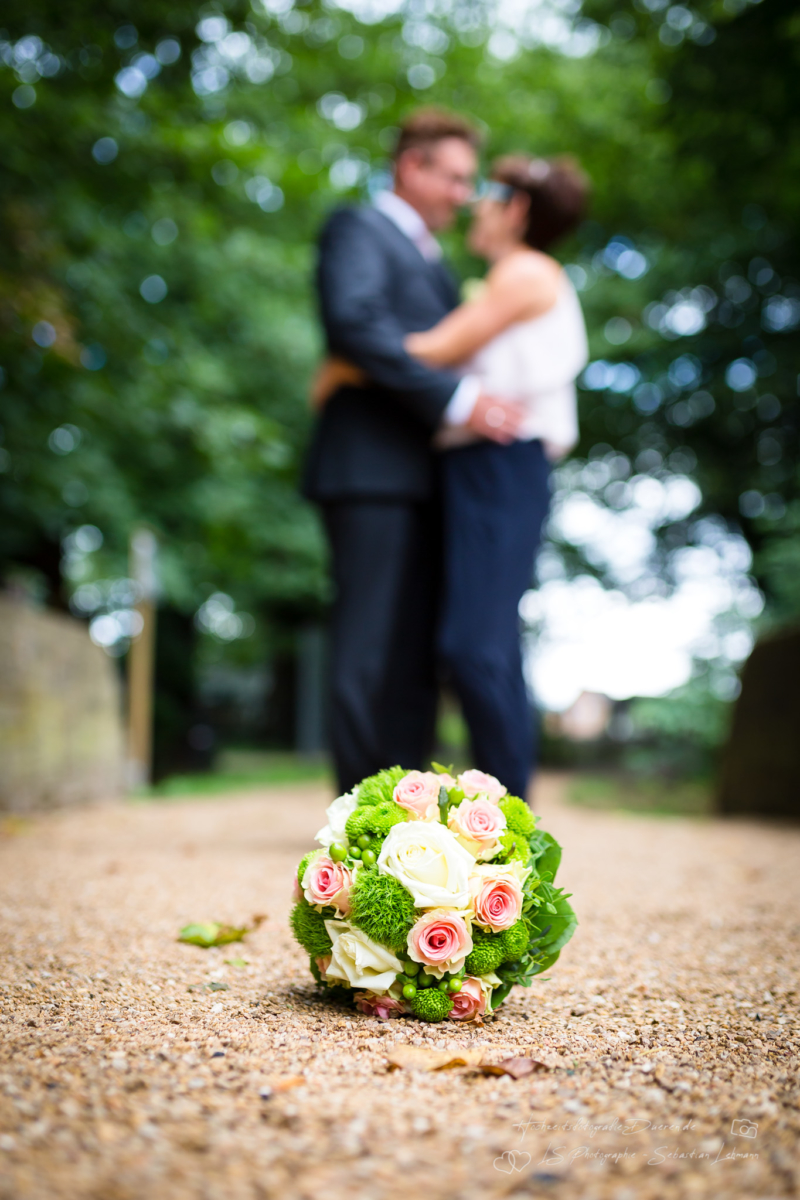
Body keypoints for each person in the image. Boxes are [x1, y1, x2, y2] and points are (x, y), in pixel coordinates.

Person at [316, 155, 589, 798]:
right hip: (474, 468)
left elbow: (439, 347)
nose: (473, 203)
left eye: (488, 191)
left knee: (477, 646)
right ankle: (491, 816)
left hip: (502, 464)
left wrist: (345, 367)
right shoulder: (504, 275)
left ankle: (511, 823)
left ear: (518, 208)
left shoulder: (524, 272)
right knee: (471, 642)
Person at [303, 111, 524, 796]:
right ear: (412, 167)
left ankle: (403, 808)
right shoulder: (358, 229)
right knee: (367, 648)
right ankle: (355, 812)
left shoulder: (437, 261)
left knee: (414, 656)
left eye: (470, 180)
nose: (465, 193)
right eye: (454, 177)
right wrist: (458, 402)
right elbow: (355, 328)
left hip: (433, 481)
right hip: (368, 471)